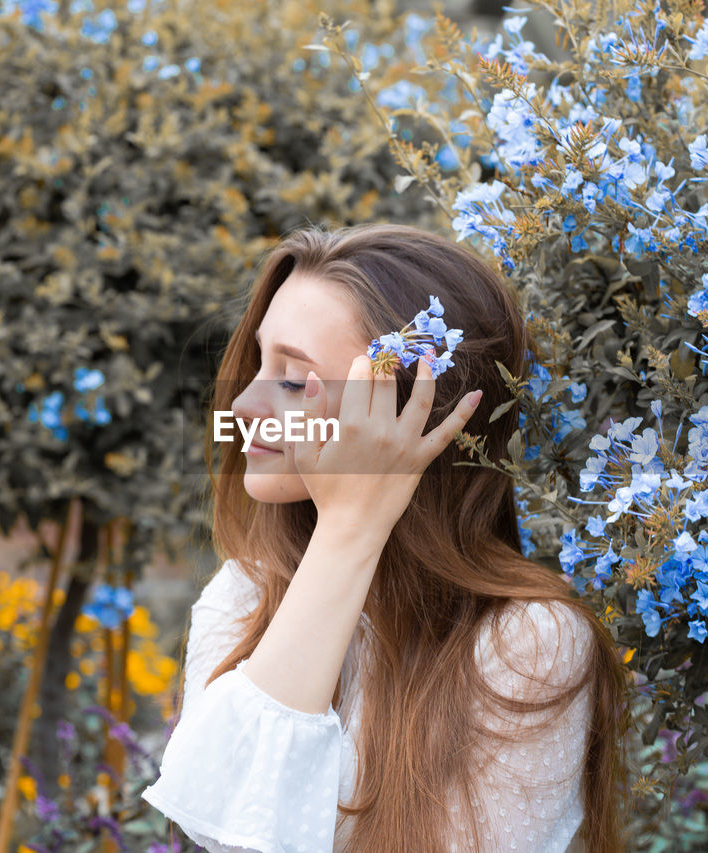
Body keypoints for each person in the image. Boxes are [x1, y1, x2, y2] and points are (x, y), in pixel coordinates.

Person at [141, 223, 628, 852]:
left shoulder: (525, 647)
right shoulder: (244, 597)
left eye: (293, 380)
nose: (247, 403)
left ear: (408, 413)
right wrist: (347, 532)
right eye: (261, 362)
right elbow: (225, 827)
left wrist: (351, 527)